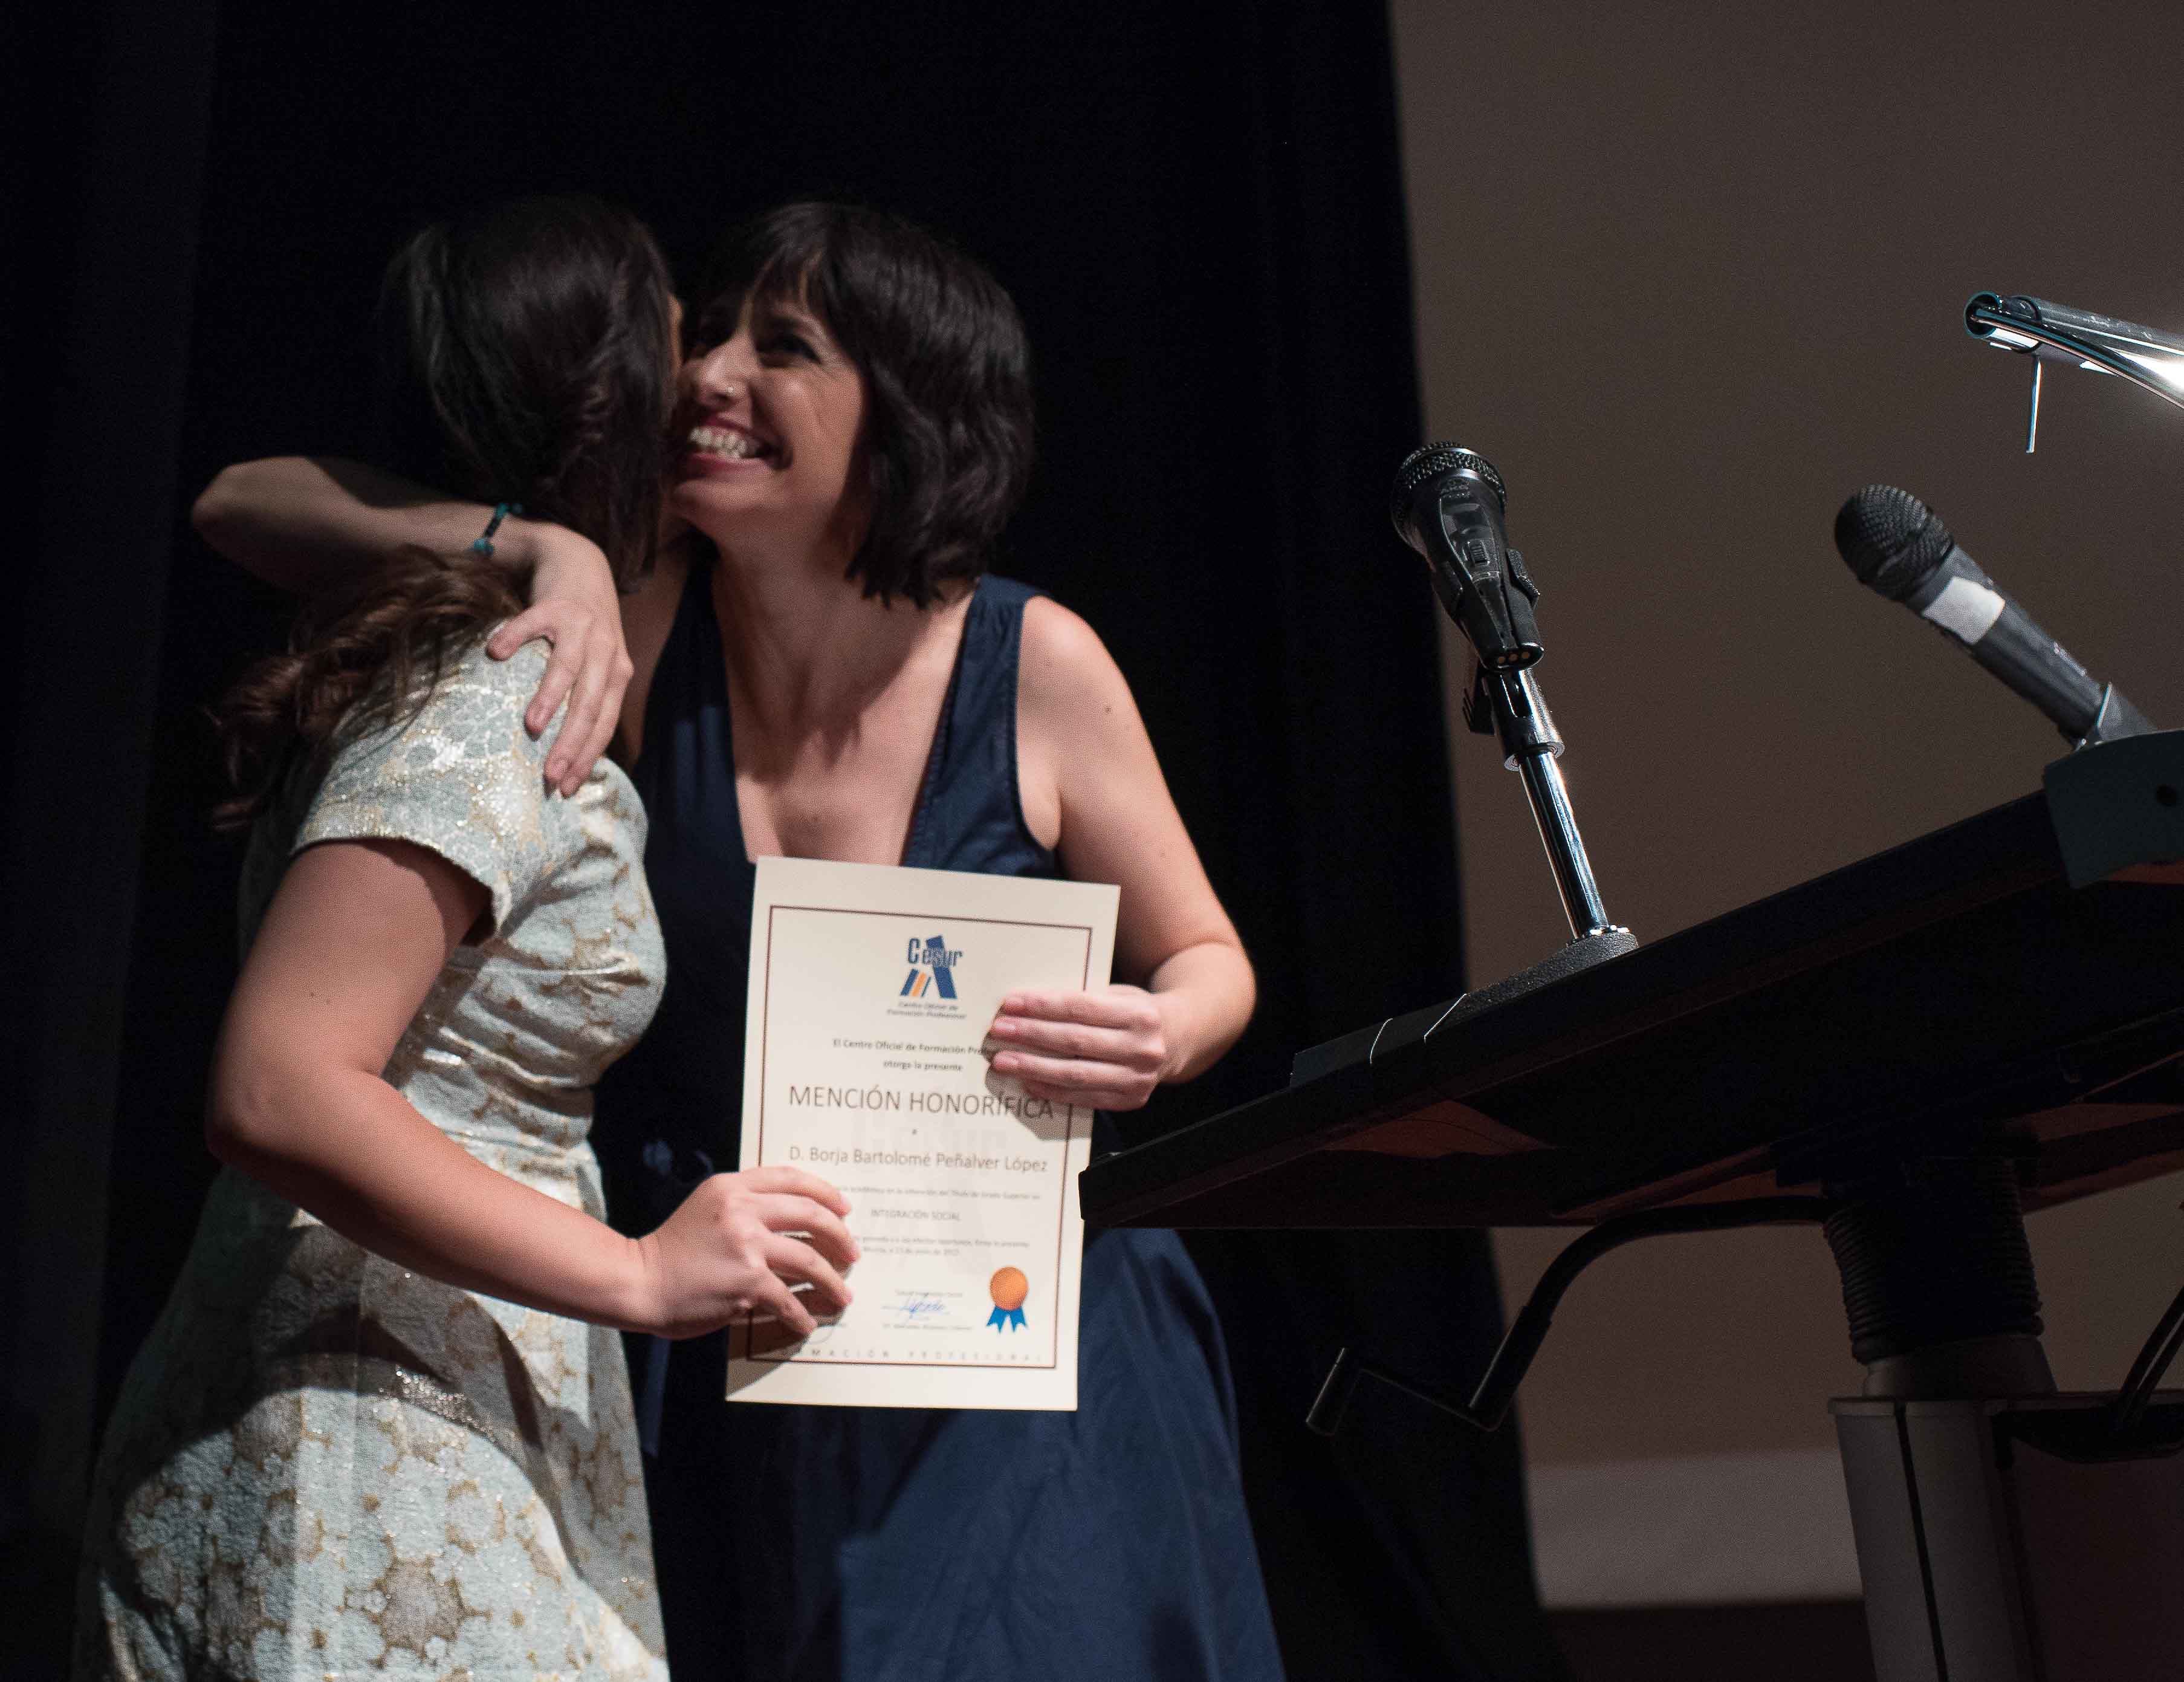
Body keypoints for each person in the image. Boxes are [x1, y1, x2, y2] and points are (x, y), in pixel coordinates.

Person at [198, 200, 1285, 1682]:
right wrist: (545, 547)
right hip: (763, 1339)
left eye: (784, 347)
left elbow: (1212, 958)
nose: (708, 373)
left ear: (902, 411)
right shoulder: (641, 619)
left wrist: (1164, 1030)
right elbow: (241, 502)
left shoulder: (1032, 657)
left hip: (1028, 1345)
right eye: (709, 333)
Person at [76, 196, 859, 1682]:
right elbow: (280, 1085)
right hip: (362, 1418)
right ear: (610, 395)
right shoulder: (499, 690)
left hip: (431, 1375)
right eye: (679, 347)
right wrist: (641, 1272)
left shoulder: (521, 656)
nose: (707, 382)